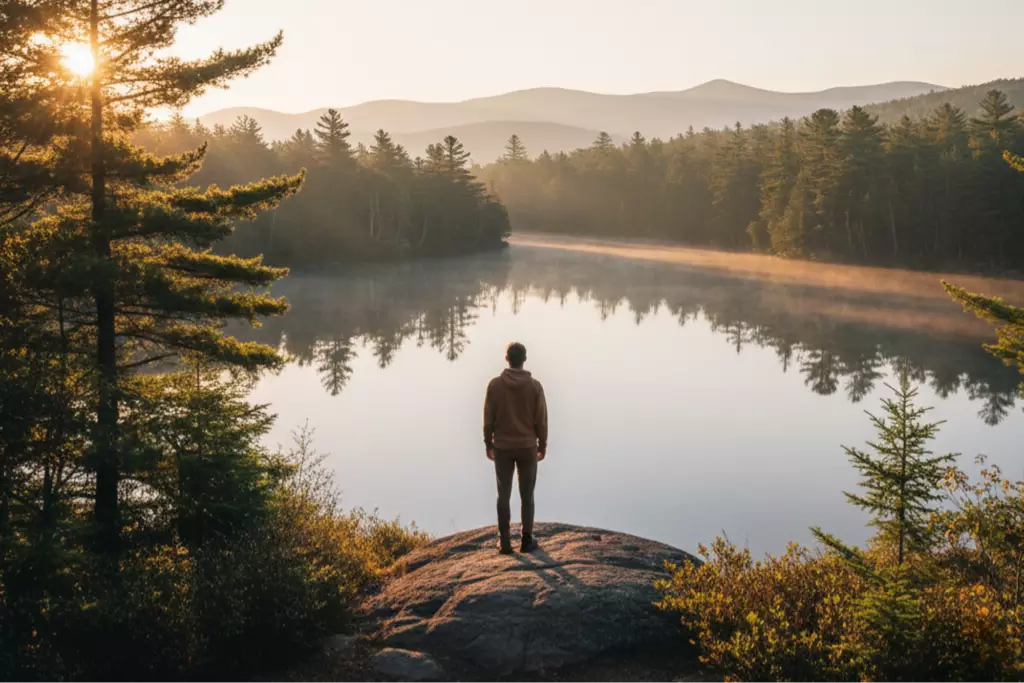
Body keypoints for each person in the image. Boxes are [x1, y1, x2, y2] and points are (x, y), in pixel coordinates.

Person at [483, 342, 548, 554]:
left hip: (502, 447)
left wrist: (488, 443)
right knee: (527, 495)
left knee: (503, 494)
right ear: (525, 359)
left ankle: (505, 542)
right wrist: (543, 444)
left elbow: (488, 419)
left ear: (506, 359)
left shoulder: (494, 386)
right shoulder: (535, 387)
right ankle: (527, 540)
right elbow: (541, 420)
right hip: (528, 447)